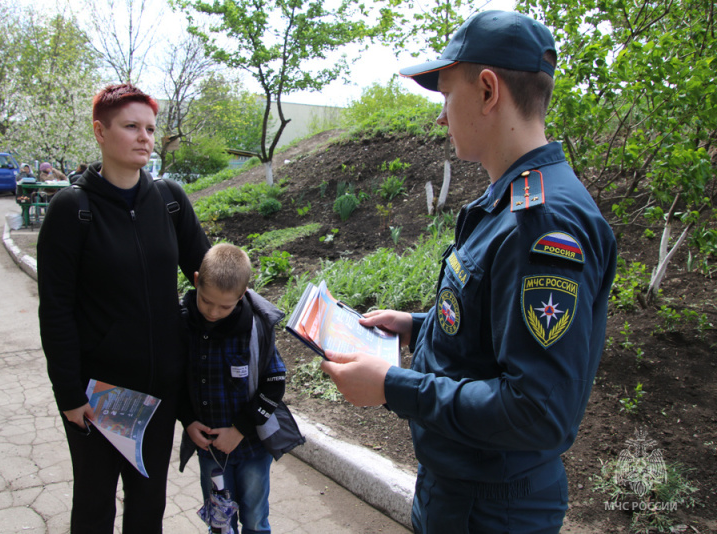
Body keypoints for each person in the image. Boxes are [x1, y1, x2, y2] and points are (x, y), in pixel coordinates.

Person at [320, 11, 617, 534]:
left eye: (445, 95)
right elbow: (486, 321)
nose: (440, 118)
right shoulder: (507, 201)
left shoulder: (542, 220)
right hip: (459, 488)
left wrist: (392, 387)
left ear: (487, 90)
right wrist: (415, 324)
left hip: (491, 509)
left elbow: (537, 410)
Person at [37, 83, 211, 533]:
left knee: (148, 505)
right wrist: (69, 394)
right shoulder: (71, 209)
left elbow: (208, 275)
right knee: (95, 506)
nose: (144, 138)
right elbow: (55, 308)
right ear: (100, 131)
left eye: (150, 128)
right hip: (99, 395)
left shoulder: (169, 200)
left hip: (159, 393)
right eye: (131, 126)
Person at [178, 243, 303, 534]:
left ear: (243, 294)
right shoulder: (182, 324)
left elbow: (274, 382)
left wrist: (240, 429)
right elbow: (175, 379)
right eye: (206, 301)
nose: (213, 312)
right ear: (196, 281)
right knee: (219, 523)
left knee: (256, 519)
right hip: (209, 451)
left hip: (252, 450)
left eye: (225, 306)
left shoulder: (255, 328)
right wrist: (188, 421)